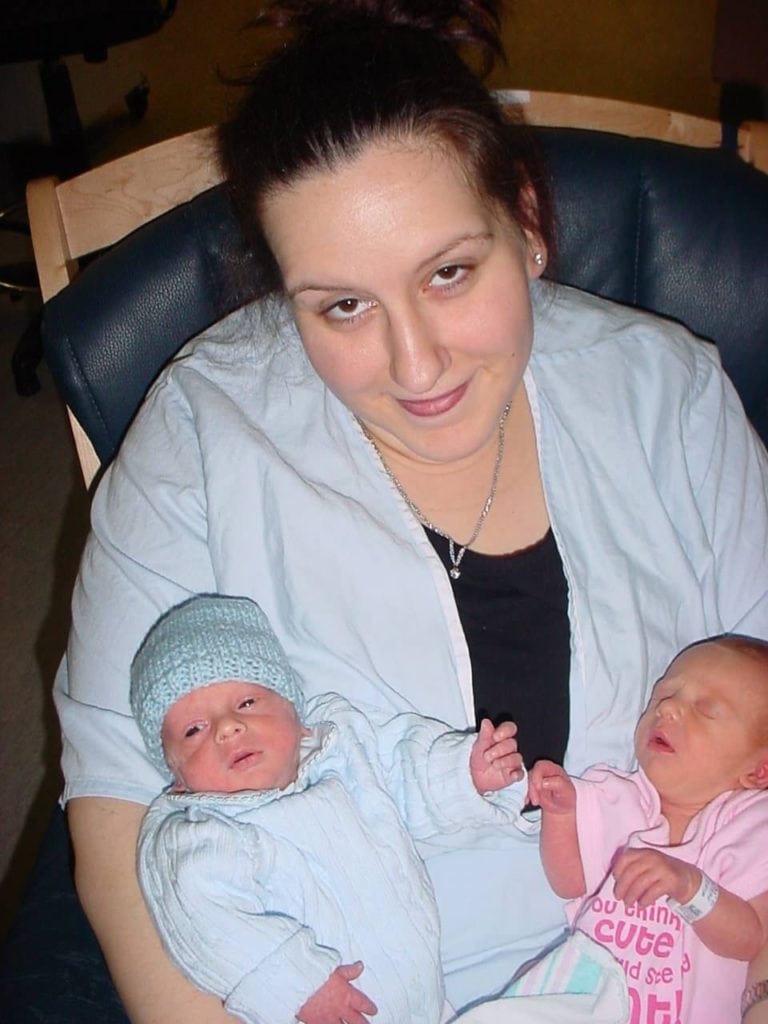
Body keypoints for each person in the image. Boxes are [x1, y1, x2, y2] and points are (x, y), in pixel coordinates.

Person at [53, 0, 768, 1021]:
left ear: (523, 221)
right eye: (342, 304)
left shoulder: (670, 396)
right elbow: (120, 814)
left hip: (672, 969)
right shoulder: (203, 437)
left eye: (448, 272)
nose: (417, 364)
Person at [130, 593, 524, 1024]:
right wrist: (296, 981)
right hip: (320, 1008)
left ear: (294, 713)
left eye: (246, 703)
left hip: (428, 999)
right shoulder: (201, 834)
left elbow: (404, 768)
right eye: (194, 730)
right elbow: (205, 922)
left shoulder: (343, 749)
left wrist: (464, 771)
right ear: (177, 776)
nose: (228, 728)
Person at [527, 635, 768, 1023]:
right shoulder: (616, 798)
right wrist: (558, 816)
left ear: (759, 771)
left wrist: (690, 887)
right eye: (662, 696)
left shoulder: (749, 827)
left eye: (705, 710)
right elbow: (570, 883)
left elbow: (751, 938)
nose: (669, 709)